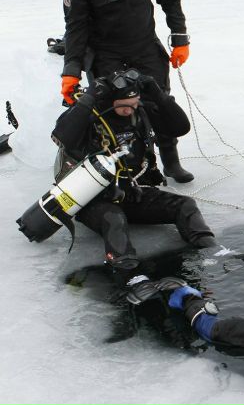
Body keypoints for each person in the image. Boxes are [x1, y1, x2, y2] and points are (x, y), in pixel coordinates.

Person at [51, 68, 217, 284]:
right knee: (114, 218)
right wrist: (89, 98)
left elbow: (180, 127)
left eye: (134, 104)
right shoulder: (91, 117)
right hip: (93, 200)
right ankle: (127, 273)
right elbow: (62, 136)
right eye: (124, 106)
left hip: (132, 192)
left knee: (185, 206)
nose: (130, 110)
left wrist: (157, 93)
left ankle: (212, 252)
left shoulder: (140, 113)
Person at [60, 0, 195, 183]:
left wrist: (180, 39)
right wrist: (71, 71)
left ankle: (171, 162)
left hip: (144, 47)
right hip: (105, 53)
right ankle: (126, 168)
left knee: (158, 103)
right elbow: (75, 28)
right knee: (115, 111)